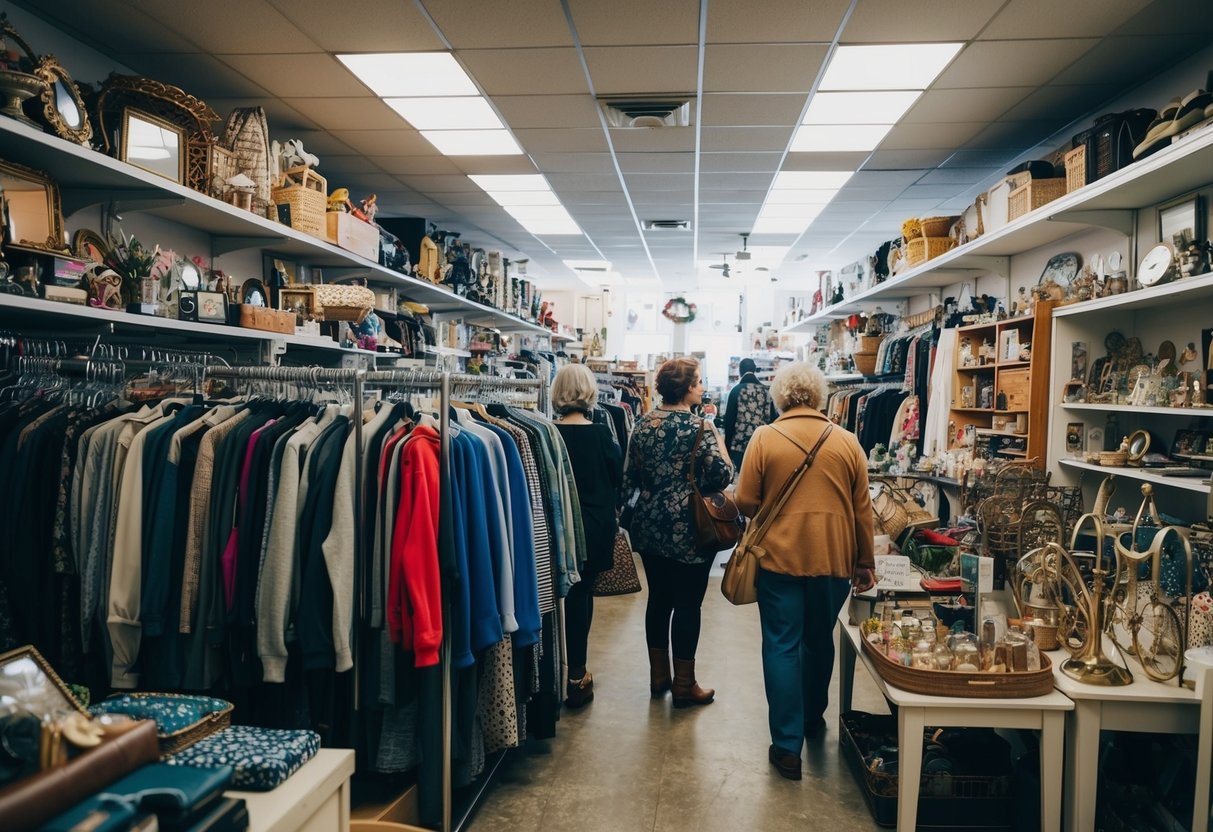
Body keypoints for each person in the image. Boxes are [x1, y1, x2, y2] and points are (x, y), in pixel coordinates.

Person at [734, 362, 876, 780]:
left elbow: (744, 501)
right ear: (818, 395)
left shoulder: (765, 437)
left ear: (780, 396)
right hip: (834, 558)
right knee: (818, 640)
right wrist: (864, 562)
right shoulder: (848, 441)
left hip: (778, 557)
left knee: (781, 644)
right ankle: (813, 718)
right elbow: (862, 510)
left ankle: (787, 746)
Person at [622, 357, 733, 707]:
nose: (702, 386)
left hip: (650, 522)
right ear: (686, 388)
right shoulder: (700, 427)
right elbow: (721, 477)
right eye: (698, 381)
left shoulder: (642, 423)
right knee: (687, 605)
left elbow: (629, 479)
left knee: (658, 600)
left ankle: (659, 677)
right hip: (690, 526)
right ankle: (685, 685)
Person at [552, 363, 622, 707]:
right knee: (582, 594)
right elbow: (616, 477)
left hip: (555, 524)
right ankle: (577, 675)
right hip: (593, 524)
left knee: (549, 599)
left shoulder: (548, 434)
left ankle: (548, 672)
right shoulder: (600, 434)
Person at [721, 358, 778, 470]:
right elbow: (773, 420)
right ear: (755, 370)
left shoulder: (736, 391)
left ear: (740, 371)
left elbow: (729, 422)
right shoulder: (766, 391)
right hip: (761, 446)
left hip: (738, 447)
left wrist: (727, 448)